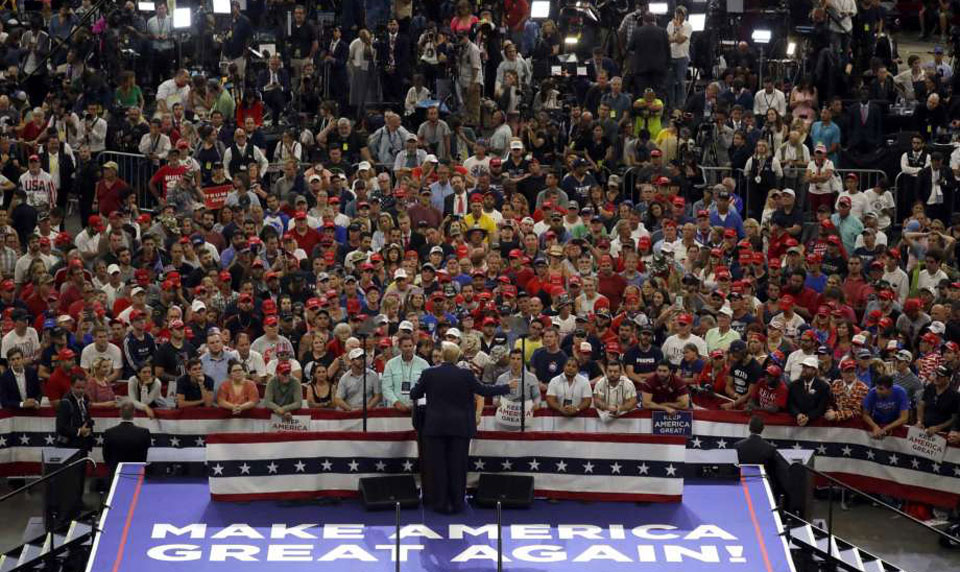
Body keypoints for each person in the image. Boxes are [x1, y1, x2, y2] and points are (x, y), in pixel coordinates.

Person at [409, 341, 513, 514]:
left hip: (436, 427)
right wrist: (507, 387)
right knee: (458, 466)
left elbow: (414, 394)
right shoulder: (466, 374)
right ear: (457, 357)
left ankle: (440, 503)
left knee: (438, 466)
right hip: (460, 428)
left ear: (442, 355)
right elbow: (484, 390)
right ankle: (457, 502)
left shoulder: (429, 373)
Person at [102, 402, 151, 478]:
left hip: (115, 473)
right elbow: (145, 453)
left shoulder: (109, 433)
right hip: (136, 473)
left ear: (120, 413)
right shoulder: (144, 433)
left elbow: (106, 456)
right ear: (134, 413)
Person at [787, 355, 831, 426]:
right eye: (803, 367)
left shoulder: (823, 387)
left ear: (814, 370)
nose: (804, 369)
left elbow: (821, 407)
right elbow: (790, 404)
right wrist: (798, 414)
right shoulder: (794, 385)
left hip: (815, 424)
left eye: (807, 367)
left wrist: (808, 417)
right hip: (796, 422)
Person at [55, 374, 94, 451]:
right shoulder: (66, 402)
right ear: (71, 387)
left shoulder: (85, 399)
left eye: (83, 388)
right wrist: (79, 431)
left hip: (83, 444)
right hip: (69, 446)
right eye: (78, 388)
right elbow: (61, 427)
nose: (81, 390)